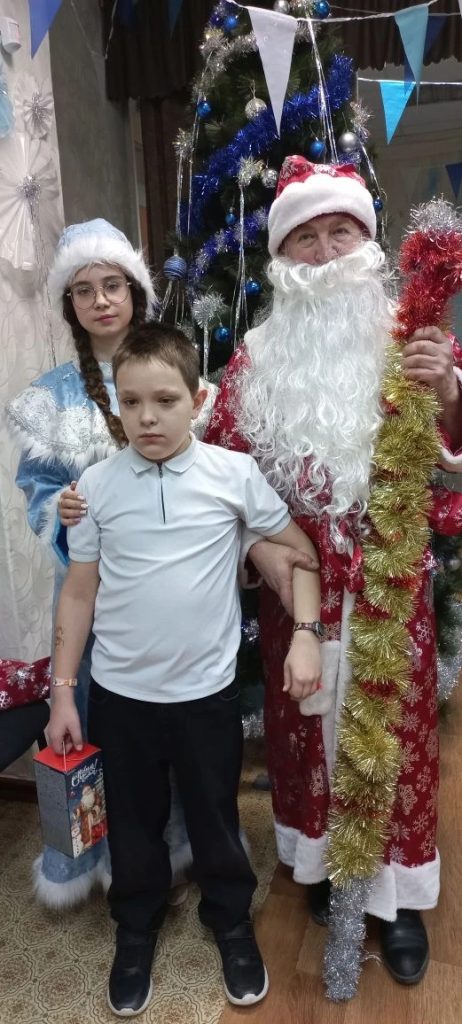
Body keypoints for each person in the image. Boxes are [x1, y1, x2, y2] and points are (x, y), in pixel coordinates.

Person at [204, 158, 462, 986]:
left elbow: (450, 454)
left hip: (392, 590)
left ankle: (397, 897)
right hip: (299, 596)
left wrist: (447, 390)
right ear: (282, 258)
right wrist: (273, 566)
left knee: (396, 739)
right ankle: (324, 868)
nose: (321, 253)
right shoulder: (253, 360)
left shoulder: (412, 338)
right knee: (304, 737)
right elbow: (225, 480)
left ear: (368, 242)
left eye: (339, 232)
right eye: (304, 238)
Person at [47, 321, 321, 1017]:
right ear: (117, 403)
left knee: (214, 816)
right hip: (121, 697)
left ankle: (230, 921)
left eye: (165, 400)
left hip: (206, 696)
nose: (146, 418)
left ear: (198, 400)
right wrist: (62, 694)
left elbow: (299, 552)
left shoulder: (233, 475)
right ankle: (135, 928)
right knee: (133, 823)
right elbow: (79, 592)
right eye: (131, 401)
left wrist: (306, 631)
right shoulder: (96, 487)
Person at [6, 220, 216, 908]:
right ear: (69, 305)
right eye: (84, 290)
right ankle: (103, 862)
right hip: (91, 594)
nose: (100, 301)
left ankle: (173, 852)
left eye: (113, 285)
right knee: (96, 722)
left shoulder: (177, 372)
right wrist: (62, 510)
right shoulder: (50, 398)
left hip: (172, 589)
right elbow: (36, 490)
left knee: (171, 724)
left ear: (135, 292)